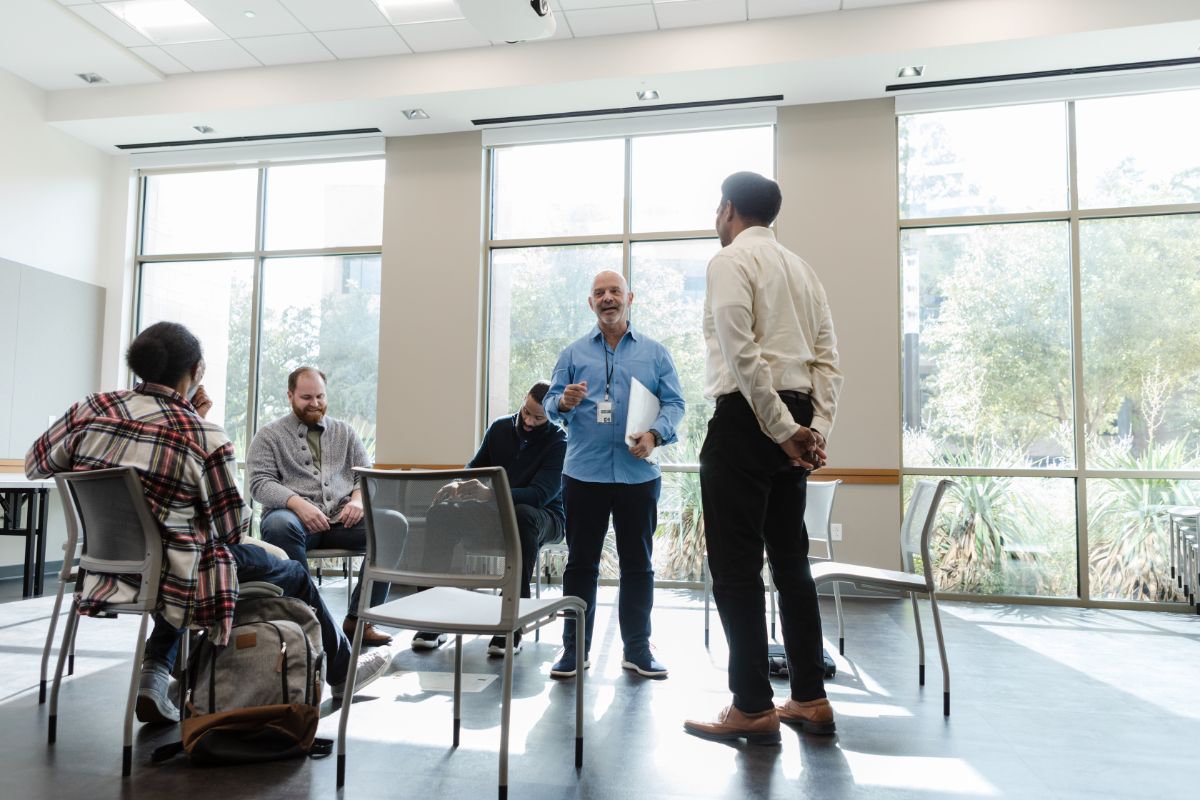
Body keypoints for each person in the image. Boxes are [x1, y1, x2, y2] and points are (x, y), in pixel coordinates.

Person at [26, 322, 392, 724]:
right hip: (179, 573)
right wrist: (194, 428)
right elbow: (231, 529)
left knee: (187, 558)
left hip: (103, 564)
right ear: (196, 371)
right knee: (278, 570)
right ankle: (342, 672)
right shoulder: (202, 435)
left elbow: (36, 464)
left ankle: (158, 670)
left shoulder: (89, 409)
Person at [684, 172, 844, 745]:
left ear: (727, 209)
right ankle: (810, 698)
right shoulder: (804, 271)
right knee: (791, 563)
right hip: (794, 421)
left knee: (735, 569)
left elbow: (740, 349)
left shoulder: (729, 262)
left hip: (749, 423)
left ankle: (752, 705)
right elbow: (828, 361)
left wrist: (780, 429)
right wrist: (813, 429)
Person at [543, 270, 685, 679]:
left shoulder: (656, 354)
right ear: (590, 303)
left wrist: (656, 434)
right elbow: (550, 401)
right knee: (581, 564)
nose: (607, 298)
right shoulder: (571, 354)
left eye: (614, 291)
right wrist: (563, 402)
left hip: (637, 475)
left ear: (629, 298)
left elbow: (675, 404)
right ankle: (574, 650)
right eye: (599, 293)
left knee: (638, 566)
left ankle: (637, 649)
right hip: (584, 475)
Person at [408, 380, 567, 656]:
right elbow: (475, 468)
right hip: (496, 512)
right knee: (441, 513)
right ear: (523, 399)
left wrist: (489, 495)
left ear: (551, 415)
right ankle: (433, 617)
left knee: (523, 514)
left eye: (538, 417)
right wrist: (460, 484)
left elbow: (539, 495)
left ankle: (511, 625)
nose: (528, 421)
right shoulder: (500, 428)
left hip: (544, 517)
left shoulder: (559, 441)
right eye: (526, 411)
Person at [248, 367, 392, 646]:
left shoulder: (346, 433)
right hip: (293, 520)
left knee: (391, 524)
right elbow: (260, 484)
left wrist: (358, 500)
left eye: (320, 396)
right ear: (290, 395)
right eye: (306, 397)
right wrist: (297, 504)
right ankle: (305, 619)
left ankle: (361, 618)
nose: (314, 403)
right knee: (278, 525)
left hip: (343, 520)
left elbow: (365, 477)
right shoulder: (268, 435)